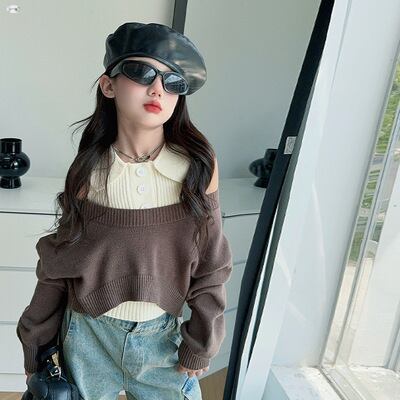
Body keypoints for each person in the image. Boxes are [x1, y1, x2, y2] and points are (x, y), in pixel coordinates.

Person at [17, 22, 233, 400]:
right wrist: (35, 341)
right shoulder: (89, 171)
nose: (157, 89)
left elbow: (212, 261)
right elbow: (57, 265)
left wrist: (203, 340)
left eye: (173, 82)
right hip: (86, 337)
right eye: (141, 72)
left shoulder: (197, 167)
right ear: (108, 85)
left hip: (161, 341)